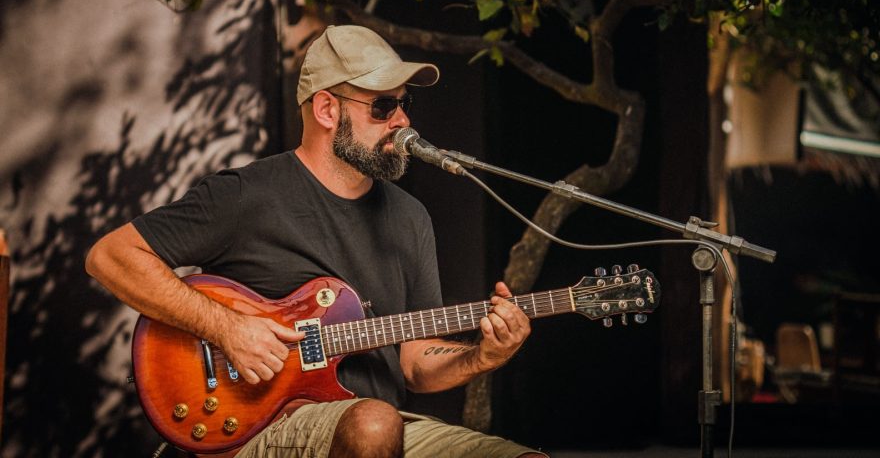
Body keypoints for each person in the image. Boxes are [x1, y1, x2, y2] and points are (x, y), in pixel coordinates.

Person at [86, 25, 547, 458]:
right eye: (383, 107)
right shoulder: (246, 195)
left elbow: (414, 362)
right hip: (260, 422)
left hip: (379, 423)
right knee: (372, 423)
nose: (403, 120)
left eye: (404, 105)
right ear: (328, 110)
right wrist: (226, 328)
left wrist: (481, 357)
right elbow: (111, 257)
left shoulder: (411, 218)